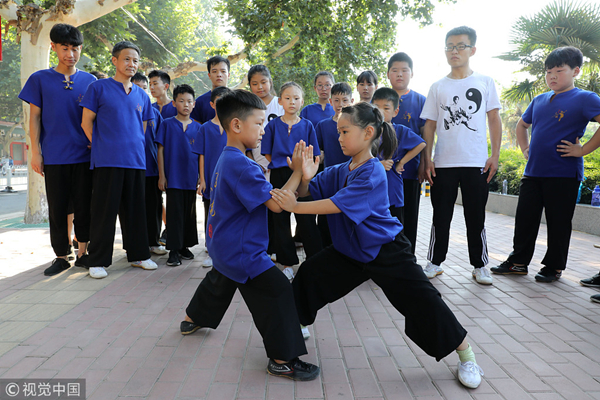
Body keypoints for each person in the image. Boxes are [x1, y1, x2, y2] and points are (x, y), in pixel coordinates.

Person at [270, 102, 485, 389]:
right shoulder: (341, 169)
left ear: (368, 132)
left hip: (386, 250)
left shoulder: (373, 172)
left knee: (424, 301)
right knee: (308, 277)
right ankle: (293, 333)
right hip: (350, 250)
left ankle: (467, 356)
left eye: (345, 131)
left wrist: (295, 204)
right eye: (338, 131)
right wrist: (302, 174)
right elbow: (312, 190)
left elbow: (335, 205)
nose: (339, 137)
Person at [180, 89, 320, 381]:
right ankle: (282, 360)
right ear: (236, 125)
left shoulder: (227, 157)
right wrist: (298, 172)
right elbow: (276, 205)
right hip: (243, 251)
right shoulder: (243, 165)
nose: (263, 130)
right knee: (279, 291)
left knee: (222, 277)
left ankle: (193, 317)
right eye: (258, 123)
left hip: (222, 245)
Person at [492, 46, 600, 282]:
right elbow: (522, 126)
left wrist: (582, 150)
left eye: (559, 70)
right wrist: (524, 148)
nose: (552, 76)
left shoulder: (585, 98)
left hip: (564, 173)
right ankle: (518, 262)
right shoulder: (539, 99)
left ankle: (554, 267)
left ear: (576, 71)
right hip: (533, 173)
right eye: (548, 71)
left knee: (558, 223)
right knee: (525, 220)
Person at [421, 26, 502, 285]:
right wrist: (427, 159)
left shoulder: (485, 82)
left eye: (460, 46)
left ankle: (480, 266)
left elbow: (494, 120)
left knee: (475, 216)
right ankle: (434, 261)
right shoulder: (437, 86)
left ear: (472, 50)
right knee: (440, 215)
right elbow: (429, 125)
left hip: (476, 161)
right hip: (443, 163)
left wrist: (495, 155)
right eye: (449, 46)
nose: (454, 51)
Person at [18, 23, 96, 276]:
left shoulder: (90, 81)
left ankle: (84, 252)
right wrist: (36, 152)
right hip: (54, 155)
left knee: (85, 205)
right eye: (65, 48)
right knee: (58, 207)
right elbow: (35, 118)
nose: (70, 54)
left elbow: (96, 119)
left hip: (85, 155)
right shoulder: (39, 79)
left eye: (75, 49)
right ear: (53, 48)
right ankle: (62, 255)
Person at [80, 41, 158, 279]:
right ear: (114, 60)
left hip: (135, 161)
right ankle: (98, 261)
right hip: (107, 161)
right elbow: (86, 122)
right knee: (104, 212)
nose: (131, 64)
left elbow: (142, 128)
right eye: (126, 59)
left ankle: (139, 255)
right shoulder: (99, 88)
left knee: (136, 211)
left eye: (135, 60)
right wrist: (103, 145)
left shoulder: (142, 95)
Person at [262, 82, 322, 280]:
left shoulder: (307, 125)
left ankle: (315, 262)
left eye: (296, 98)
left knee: (306, 219)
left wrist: (301, 171)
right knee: (280, 220)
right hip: (279, 174)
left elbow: (314, 154)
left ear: (302, 101)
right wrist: (285, 165)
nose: (292, 102)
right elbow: (267, 153)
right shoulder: (272, 125)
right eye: (287, 98)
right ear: (280, 101)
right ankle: (287, 263)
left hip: (303, 176)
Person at [156, 84, 200, 267]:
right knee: (174, 214)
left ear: (194, 104)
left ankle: (184, 246)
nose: (186, 105)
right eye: (181, 101)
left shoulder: (199, 127)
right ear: (174, 103)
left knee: (189, 213)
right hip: (172, 177)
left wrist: (201, 177)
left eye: (189, 101)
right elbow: (160, 150)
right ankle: (173, 250)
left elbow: (202, 155)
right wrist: (161, 175)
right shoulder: (166, 124)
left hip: (191, 177)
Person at [388, 52, 427, 254]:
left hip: (409, 171)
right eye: (395, 70)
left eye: (404, 70)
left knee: (409, 216)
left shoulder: (420, 100)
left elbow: (425, 136)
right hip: (383, 173)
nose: (400, 75)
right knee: (385, 216)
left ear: (411, 73)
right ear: (388, 74)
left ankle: (407, 257)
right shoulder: (381, 99)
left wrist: (424, 165)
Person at [372, 88, 426, 225]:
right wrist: (379, 165)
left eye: (386, 108)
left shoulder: (400, 130)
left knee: (395, 229)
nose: (381, 112)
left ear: (395, 112)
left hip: (393, 189)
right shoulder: (368, 131)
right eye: (377, 107)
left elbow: (420, 144)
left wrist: (401, 163)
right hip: (372, 189)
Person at [193, 86, 232, 268]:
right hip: (211, 181)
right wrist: (202, 179)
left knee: (229, 215)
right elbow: (201, 155)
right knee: (211, 216)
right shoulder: (205, 128)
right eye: (219, 102)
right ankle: (211, 250)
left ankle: (226, 250)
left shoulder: (235, 126)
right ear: (211, 104)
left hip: (230, 181)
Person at [132, 73, 167, 257]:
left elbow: (161, 144)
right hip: (131, 167)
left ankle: (154, 241)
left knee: (154, 207)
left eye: (143, 88)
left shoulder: (154, 114)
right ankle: (136, 245)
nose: (141, 91)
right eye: (136, 87)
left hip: (152, 169)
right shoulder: (126, 110)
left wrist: (162, 173)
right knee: (134, 208)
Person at [315, 82, 353, 246]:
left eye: (344, 100)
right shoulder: (322, 126)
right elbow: (318, 152)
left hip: (351, 180)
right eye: (336, 100)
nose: (340, 105)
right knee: (326, 221)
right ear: (330, 102)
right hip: (329, 181)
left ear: (351, 101)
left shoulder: (357, 127)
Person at [247, 64, 285, 180]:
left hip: (281, 163)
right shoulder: (247, 109)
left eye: (263, 82)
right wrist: (253, 163)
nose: (260, 87)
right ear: (249, 85)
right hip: (258, 164)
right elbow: (244, 139)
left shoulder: (281, 104)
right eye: (255, 84)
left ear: (270, 82)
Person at [190, 55, 230, 124]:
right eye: (214, 71)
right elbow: (197, 128)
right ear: (209, 75)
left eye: (223, 71)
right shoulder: (200, 102)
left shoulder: (237, 100)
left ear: (228, 75)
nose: (219, 75)